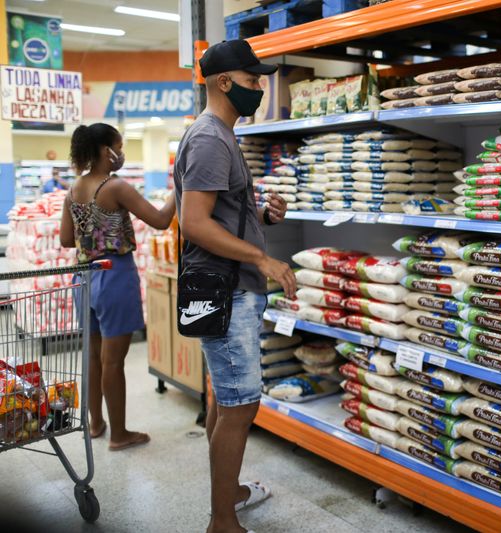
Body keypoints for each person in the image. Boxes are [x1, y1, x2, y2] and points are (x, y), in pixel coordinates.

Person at [173, 39, 296, 533]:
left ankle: (232, 494)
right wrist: (261, 258)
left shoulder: (220, 135)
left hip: (228, 286)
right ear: (224, 82)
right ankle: (222, 520)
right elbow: (195, 222)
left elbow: (219, 213)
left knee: (227, 402)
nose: (260, 88)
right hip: (227, 289)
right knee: (240, 406)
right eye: (252, 81)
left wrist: (260, 215)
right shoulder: (209, 138)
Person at [60, 123, 176, 451]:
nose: (121, 153)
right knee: (114, 361)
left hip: (82, 278)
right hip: (114, 275)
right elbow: (161, 219)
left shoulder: (74, 190)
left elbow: (66, 239)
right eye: (119, 146)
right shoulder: (116, 187)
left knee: (94, 357)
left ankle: (96, 423)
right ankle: (120, 434)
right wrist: (180, 189)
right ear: (104, 151)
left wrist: (91, 232)